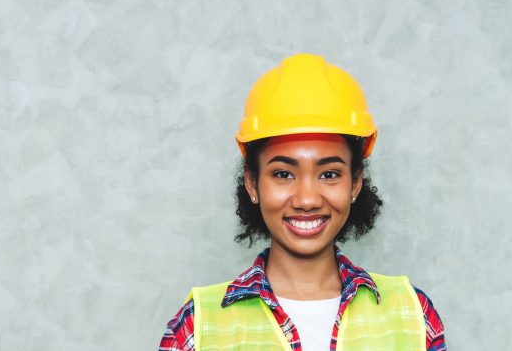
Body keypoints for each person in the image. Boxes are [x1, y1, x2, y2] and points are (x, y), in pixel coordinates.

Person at [158, 53, 446, 351]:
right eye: (283, 174)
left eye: (329, 174)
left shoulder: (413, 315)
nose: (307, 199)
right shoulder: (199, 325)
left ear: (355, 182)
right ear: (252, 183)